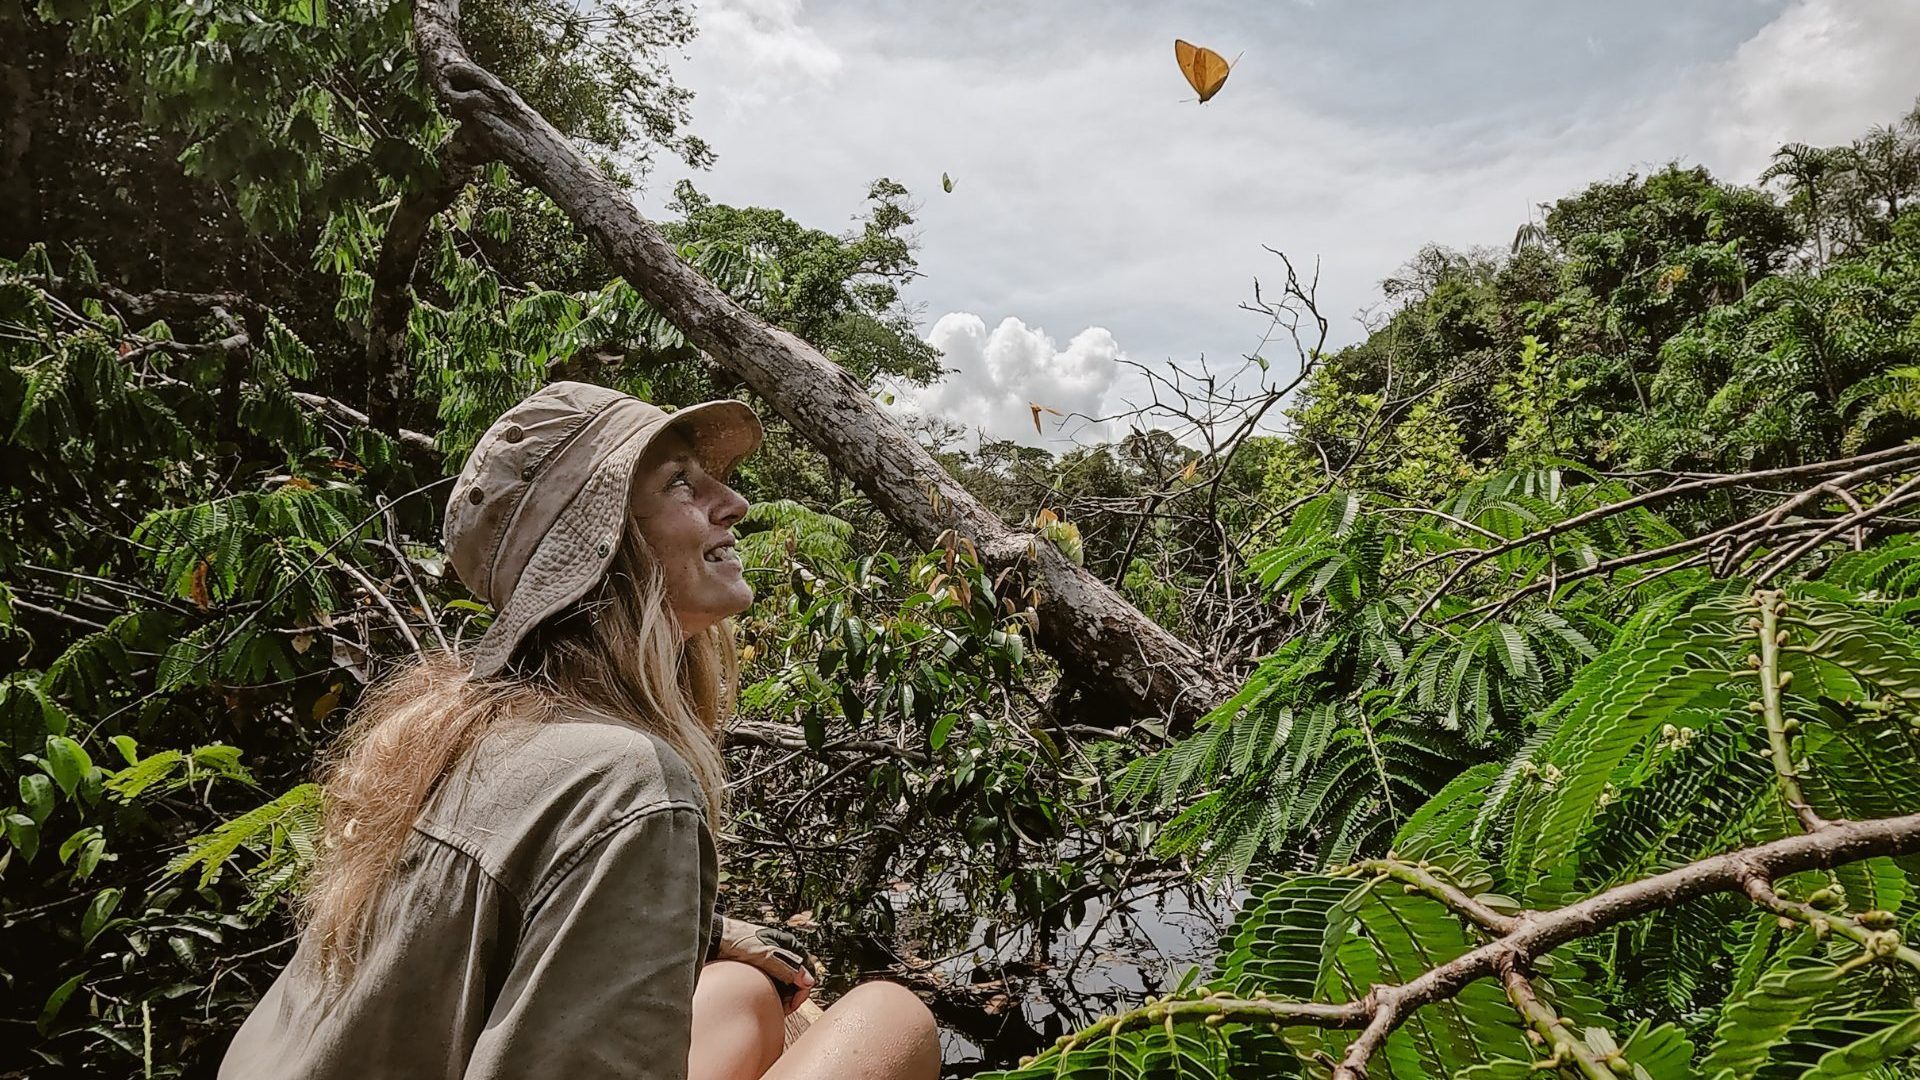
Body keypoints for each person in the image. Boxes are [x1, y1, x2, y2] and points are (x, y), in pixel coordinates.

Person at [220, 381, 941, 1080]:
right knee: (887, 1017)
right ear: (603, 547)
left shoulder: (451, 732)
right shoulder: (627, 780)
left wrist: (708, 934)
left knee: (741, 994)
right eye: (681, 484)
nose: (735, 503)